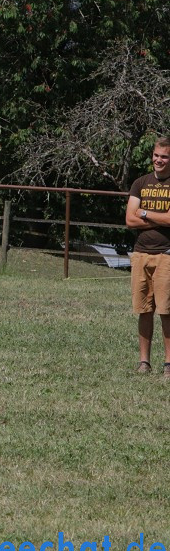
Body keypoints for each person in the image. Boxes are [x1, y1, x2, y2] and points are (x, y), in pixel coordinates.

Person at [125, 137, 170, 378]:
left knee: (166, 311)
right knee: (144, 310)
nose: (159, 160)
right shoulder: (140, 183)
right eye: (156, 155)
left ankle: (168, 365)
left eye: (164, 156)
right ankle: (144, 362)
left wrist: (143, 212)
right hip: (141, 253)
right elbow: (129, 220)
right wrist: (157, 216)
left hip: (167, 255)